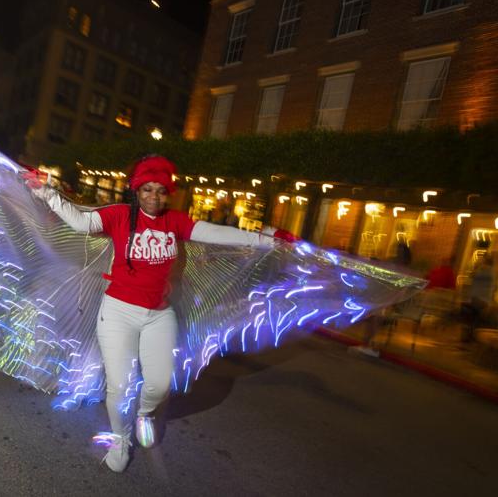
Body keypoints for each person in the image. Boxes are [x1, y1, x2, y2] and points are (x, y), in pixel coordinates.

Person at [27, 155, 297, 472]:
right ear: (137, 191)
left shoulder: (175, 222)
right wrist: (45, 192)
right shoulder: (119, 216)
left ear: (168, 194)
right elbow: (81, 222)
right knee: (119, 387)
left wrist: (267, 239)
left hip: (158, 314)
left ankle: (144, 413)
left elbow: (218, 233)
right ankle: (120, 438)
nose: (154, 197)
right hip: (118, 313)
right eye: (147, 190)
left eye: (160, 191)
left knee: (159, 384)